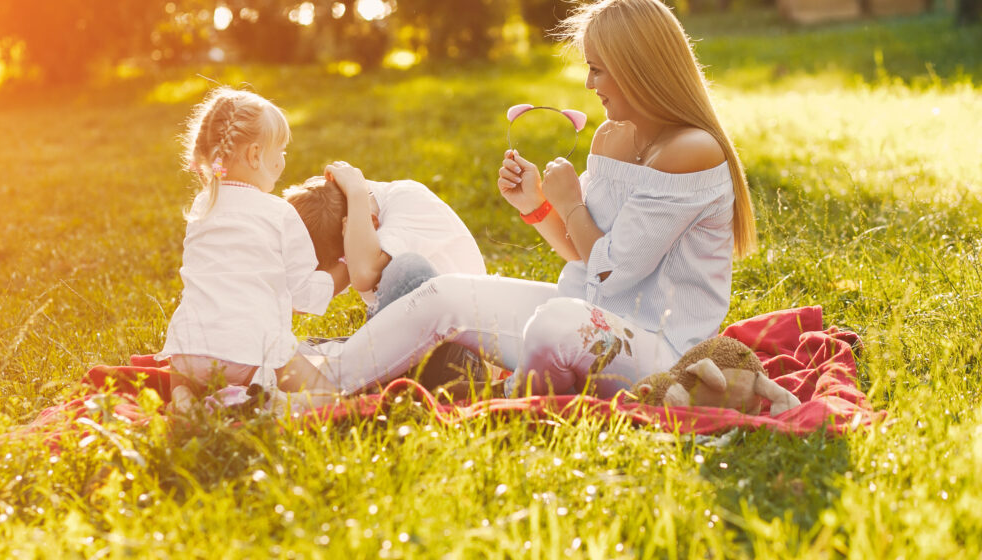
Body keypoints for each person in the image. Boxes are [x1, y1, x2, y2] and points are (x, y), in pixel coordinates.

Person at [318, 0, 756, 399]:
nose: (589, 83)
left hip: (663, 351)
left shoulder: (693, 150)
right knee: (442, 293)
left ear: (638, 68)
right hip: (586, 315)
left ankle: (506, 397)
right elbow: (585, 256)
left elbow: (612, 271)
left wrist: (569, 204)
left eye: (598, 69)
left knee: (554, 323)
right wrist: (537, 205)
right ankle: (315, 382)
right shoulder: (611, 137)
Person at [155, 87, 341, 410]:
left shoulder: (202, 206)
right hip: (250, 352)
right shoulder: (280, 213)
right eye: (280, 150)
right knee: (330, 399)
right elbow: (304, 296)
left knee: (192, 360)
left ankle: (183, 398)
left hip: (187, 352)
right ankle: (268, 403)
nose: (283, 159)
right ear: (256, 156)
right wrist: (345, 270)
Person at [283, 162, 487, 316]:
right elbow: (302, 299)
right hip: (413, 343)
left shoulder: (407, 200)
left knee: (406, 268)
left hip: (461, 349)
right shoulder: (355, 236)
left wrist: (356, 192)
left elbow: (363, 275)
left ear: (370, 221)